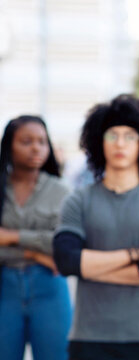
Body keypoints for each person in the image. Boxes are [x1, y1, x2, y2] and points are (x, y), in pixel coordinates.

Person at [53, 94, 139, 360]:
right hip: (89, 337)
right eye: (112, 135)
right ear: (99, 141)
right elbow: (66, 261)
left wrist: (88, 268)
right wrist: (136, 255)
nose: (120, 143)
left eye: (129, 136)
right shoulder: (78, 200)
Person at [0, 116, 71, 360]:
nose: (36, 148)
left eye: (42, 141)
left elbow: (63, 245)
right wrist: (35, 252)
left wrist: (11, 236)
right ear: (9, 145)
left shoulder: (62, 191)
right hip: (4, 285)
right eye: (26, 141)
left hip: (49, 288)